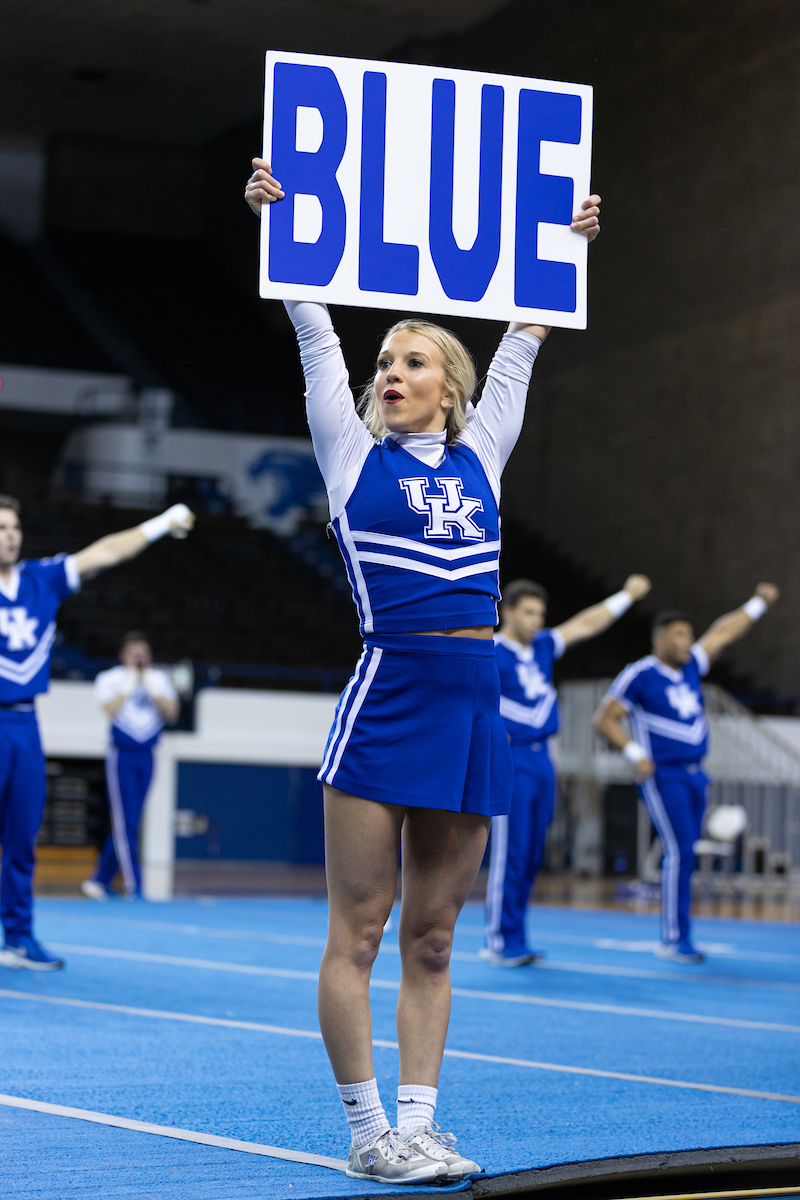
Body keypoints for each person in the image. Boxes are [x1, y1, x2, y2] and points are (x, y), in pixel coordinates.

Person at [246, 158, 601, 1184]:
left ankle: (419, 1122)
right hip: (389, 696)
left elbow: (525, 342)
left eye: (410, 360)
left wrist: (565, 242)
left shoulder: (482, 451)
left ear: (446, 380)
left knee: (437, 937)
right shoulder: (352, 455)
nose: (389, 372)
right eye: (383, 363)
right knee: (359, 930)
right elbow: (313, 334)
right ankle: (365, 1133)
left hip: (474, 703)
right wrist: (279, 232)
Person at [0, 496, 194, 970]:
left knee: (23, 836)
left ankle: (18, 938)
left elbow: (104, 552)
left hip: (24, 723)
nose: (9, 535)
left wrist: (160, 523)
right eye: (0, 527)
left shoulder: (39, 579)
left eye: (14, 526)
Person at [593, 584, 779, 963]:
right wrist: (634, 752)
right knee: (679, 850)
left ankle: (681, 931)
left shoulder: (693, 664)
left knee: (687, 851)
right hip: (665, 775)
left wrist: (757, 602)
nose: (687, 641)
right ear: (659, 638)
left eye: (689, 635)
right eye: (679, 635)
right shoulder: (640, 675)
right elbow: (605, 718)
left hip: (697, 773)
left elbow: (724, 632)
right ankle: (675, 936)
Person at [482, 573, 651, 967]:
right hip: (514, 756)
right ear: (507, 612)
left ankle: (517, 937)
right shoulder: (491, 650)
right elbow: (471, 698)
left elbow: (585, 624)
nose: (537, 621)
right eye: (528, 613)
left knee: (533, 853)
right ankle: (499, 938)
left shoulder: (541, 646)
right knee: (513, 851)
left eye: (540, 614)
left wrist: (625, 595)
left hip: (544, 758)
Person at [82, 632, 179, 902]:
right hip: (121, 755)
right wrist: (128, 685)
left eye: (144, 653)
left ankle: (99, 880)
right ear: (124, 655)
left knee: (131, 821)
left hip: (147, 754)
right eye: (134, 653)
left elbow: (171, 712)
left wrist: (150, 685)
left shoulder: (158, 679)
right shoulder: (110, 678)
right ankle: (135, 884)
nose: (139, 658)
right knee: (125, 822)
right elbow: (110, 710)